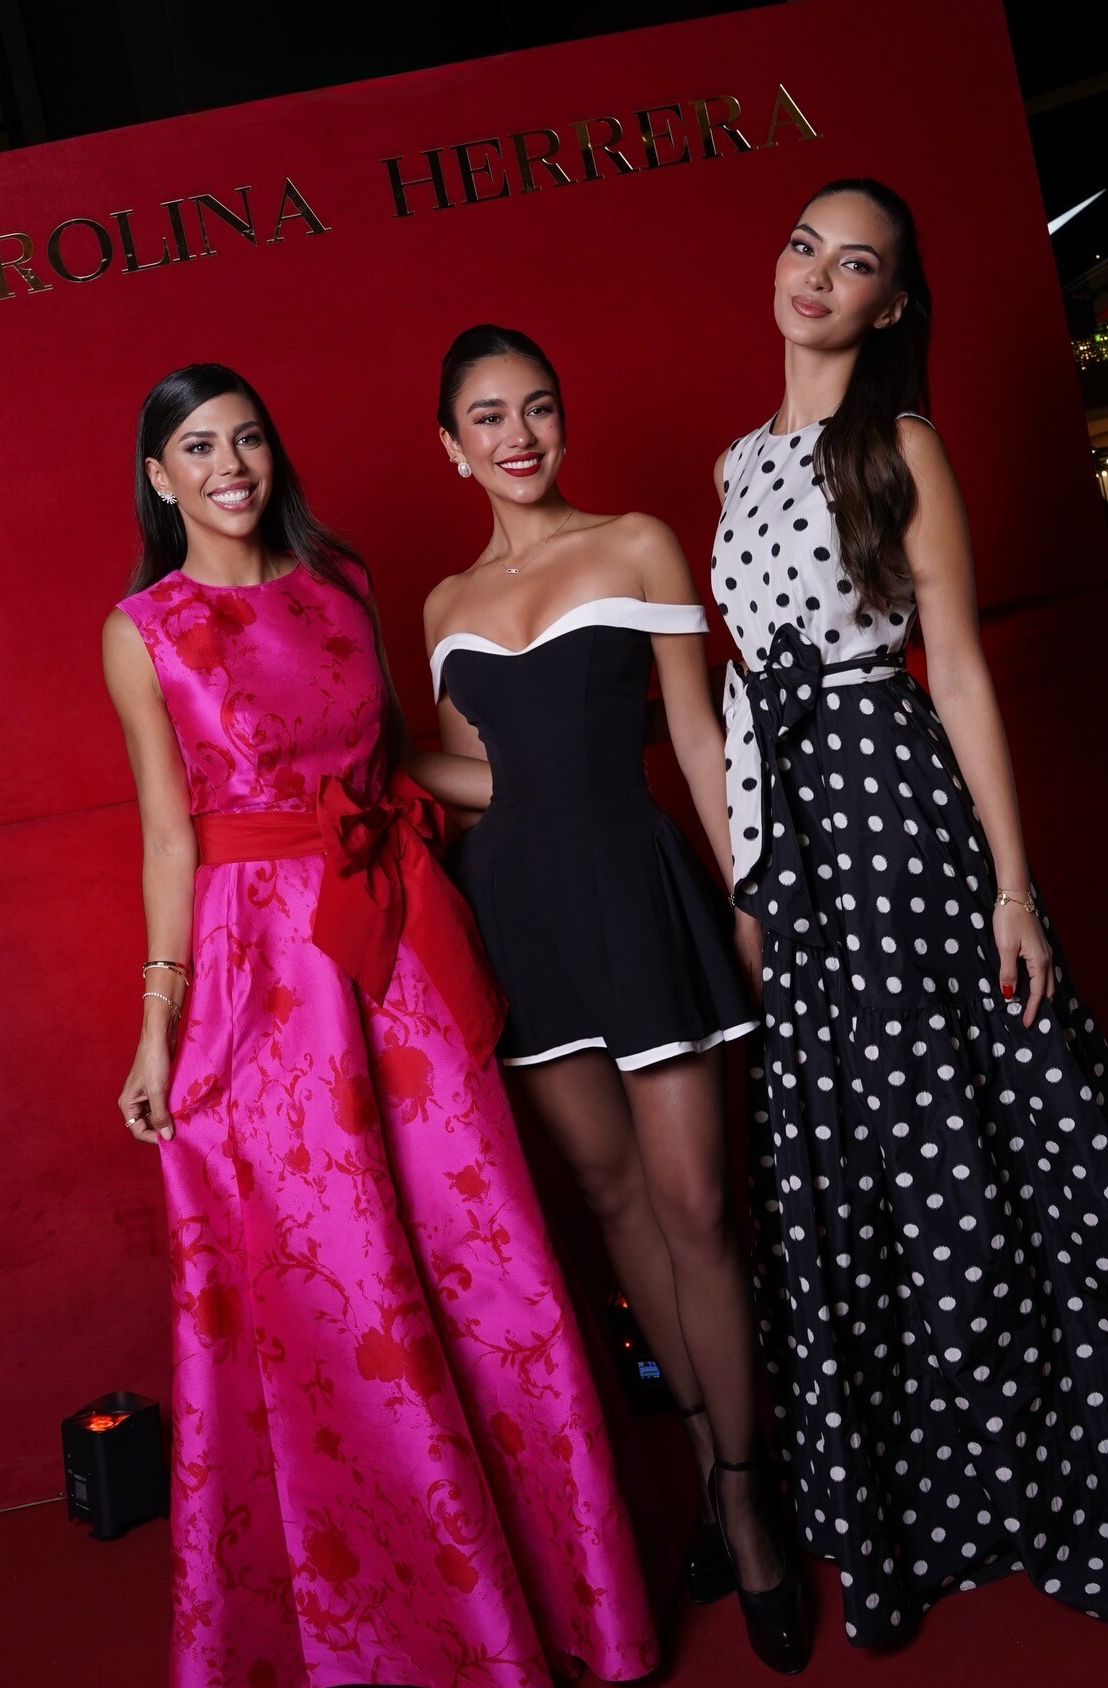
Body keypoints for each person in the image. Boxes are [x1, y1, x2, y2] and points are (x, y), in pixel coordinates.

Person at [714, 179, 1108, 1649]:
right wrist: (754, 877)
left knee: (967, 1127)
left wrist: (1011, 888)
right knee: (859, 1146)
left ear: (890, 303)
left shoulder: (903, 446)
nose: (815, 275)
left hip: (899, 817)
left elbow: (956, 668)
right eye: (804, 243)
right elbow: (748, 697)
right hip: (802, 849)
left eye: (854, 263)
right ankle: (934, 1472)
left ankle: (1042, 1446)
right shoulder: (735, 463)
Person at [104, 362, 656, 1688]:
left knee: (480, 1250)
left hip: (397, 937)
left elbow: (395, 761)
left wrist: (564, 785)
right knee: (337, 1279)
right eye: (199, 445)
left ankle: (565, 1602)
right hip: (258, 973)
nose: (231, 464)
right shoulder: (145, 629)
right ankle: (412, 1633)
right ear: (160, 475)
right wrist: (157, 1019)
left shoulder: (339, 583)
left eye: (248, 437)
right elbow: (170, 836)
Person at [427, 324, 809, 1673]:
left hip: (641, 898)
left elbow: (700, 737)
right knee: (616, 1201)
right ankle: (707, 1462)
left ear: (561, 418)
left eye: (537, 406)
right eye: (489, 416)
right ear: (452, 446)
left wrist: (751, 896)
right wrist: (380, 759)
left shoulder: (638, 541)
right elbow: (489, 780)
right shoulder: (443, 605)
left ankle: (752, 1497)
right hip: (522, 916)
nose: (518, 435)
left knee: (700, 1204)